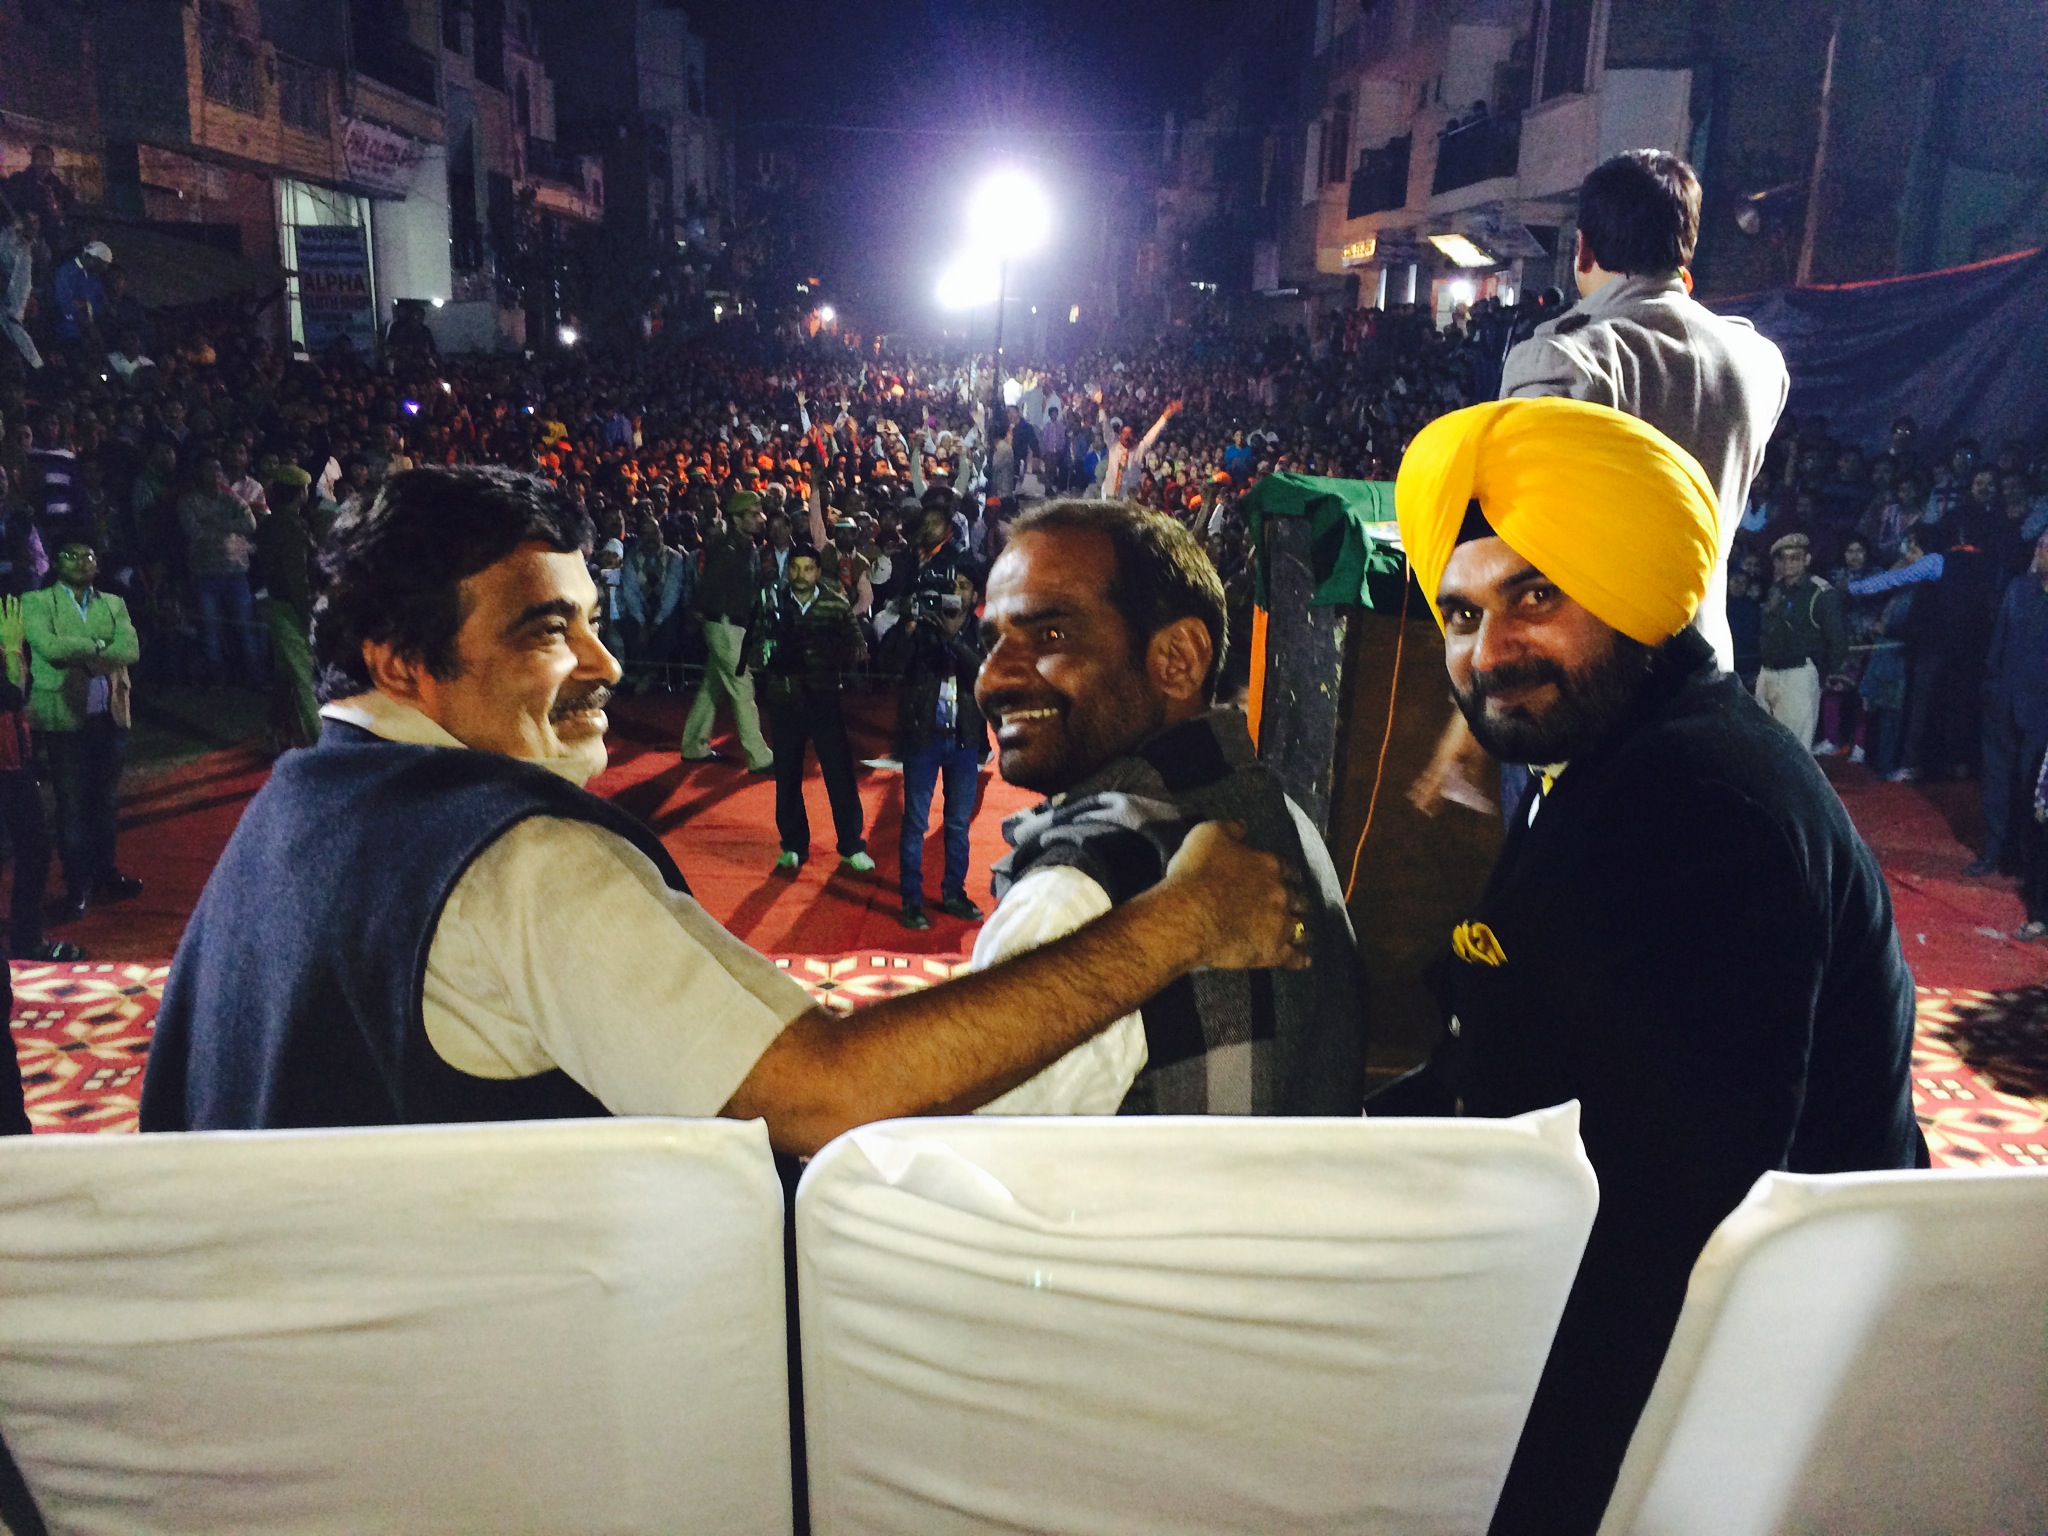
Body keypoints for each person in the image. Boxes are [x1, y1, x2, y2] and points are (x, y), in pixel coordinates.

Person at [138, 467, 1311, 1146]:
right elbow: (824, 1101)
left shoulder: (291, 802)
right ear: (401, 661)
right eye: (549, 628)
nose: (603, 662)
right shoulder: (521, 862)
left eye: (594, 618)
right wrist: (1175, 922)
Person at [1375, 397, 1925, 1536]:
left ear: (1636, 597)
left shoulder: (1696, 805)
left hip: (1721, 1415)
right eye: (1461, 612)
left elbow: (1676, 1229)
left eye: (1536, 594)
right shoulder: (1612, 755)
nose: (1489, 651)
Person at [1415, 149, 1789, 817]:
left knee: (1563, 893)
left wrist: (1467, 718)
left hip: (1581, 692)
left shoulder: (1564, 359)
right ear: (1685, 249)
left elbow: (1517, 553)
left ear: (1583, 249)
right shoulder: (1756, 362)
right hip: (1704, 674)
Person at [973, 499, 1371, 1116]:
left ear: (1178, 659)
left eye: (1050, 635)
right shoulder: (1280, 813)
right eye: (992, 642)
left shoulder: (1072, 899)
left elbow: (959, 1183)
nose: (991, 679)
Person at [23, 539, 143, 922]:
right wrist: (98, 645)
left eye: (89, 555)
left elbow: (131, 650)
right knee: (72, 807)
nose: (82, 561)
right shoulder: (36, 602)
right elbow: (50, 649)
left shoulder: (113, 601)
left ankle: (104, 871)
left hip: (110, 715)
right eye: (71, 554)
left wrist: (87, 652)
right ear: (54, 562)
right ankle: (77, 885)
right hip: (63, 719)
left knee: (105, 802)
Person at [751, 540, 871, 875]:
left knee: (839, 775)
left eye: (808, 568)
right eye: (795, 567)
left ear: (818, 571)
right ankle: (792, 845)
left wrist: (832, 652)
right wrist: (771, 654)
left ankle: (851, 845)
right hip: (784, 698)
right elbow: (756, 647)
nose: (801, 575)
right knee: (787, 775)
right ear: (787, 569)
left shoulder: (835, 605)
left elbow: (857, 645)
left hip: (823, 699)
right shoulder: (771, 604)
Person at [879, 571, 987, 930]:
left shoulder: (978, 631)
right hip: (923, 738)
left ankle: (953, 893)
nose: (950, 601)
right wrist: (907, 625)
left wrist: (951, 638)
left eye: (959, 593)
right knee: (915, 823)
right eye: (944, 595)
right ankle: (912, 901)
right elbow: (888, 665)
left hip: (964, 740)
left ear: (972, 599)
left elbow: (983, 673)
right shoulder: (919, 631)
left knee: (957, 823)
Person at [0, 595, 81, 960]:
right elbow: (13, 695)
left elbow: (20, 693)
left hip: (14, 758)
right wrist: (13, 648)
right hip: (7, 763)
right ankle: (26, 940)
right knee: (32, 848)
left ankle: (26, 938)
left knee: (32, 848)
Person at [1967, 530, 2048, 878]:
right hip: (2003, 702)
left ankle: (2025, 858)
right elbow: (1997, 643)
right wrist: (1992, 688)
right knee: (1996, 781)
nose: (2043, 552)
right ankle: (1994, 851)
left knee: (2030, 789)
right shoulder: (2018, 589)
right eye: (2042, 545)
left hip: (2041, 711)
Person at [680, 488, 773, 771]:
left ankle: (694, 744)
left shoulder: (741, 546)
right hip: (724, 625)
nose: (760, 519)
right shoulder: (730, 548)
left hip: (726, 625)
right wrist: (700, 610)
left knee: (712, 688)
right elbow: (709, 584)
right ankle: (760, 757)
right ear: (736, 518)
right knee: (743, 689)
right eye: (754, 514)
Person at [1753, 531, 1846, 750]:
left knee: (1793, 748)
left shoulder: (1820, 593)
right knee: (1763, 746)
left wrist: (1822, 672)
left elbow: (1838, 640)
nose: (1789, 564)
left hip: (1798, 674)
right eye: (1783, 558)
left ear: (1807, 560)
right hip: (1768, 672)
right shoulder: (1777, 589)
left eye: (1795, 557)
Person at [252, 465, 322, 750]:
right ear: (300, 492)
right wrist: (308, 614)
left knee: (284, 676)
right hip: (292, 608)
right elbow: (296, 576)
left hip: (278, 604)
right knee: (304, 676)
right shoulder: (291, 526)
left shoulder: (273, 523)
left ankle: (274, 732)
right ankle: (317, 743)